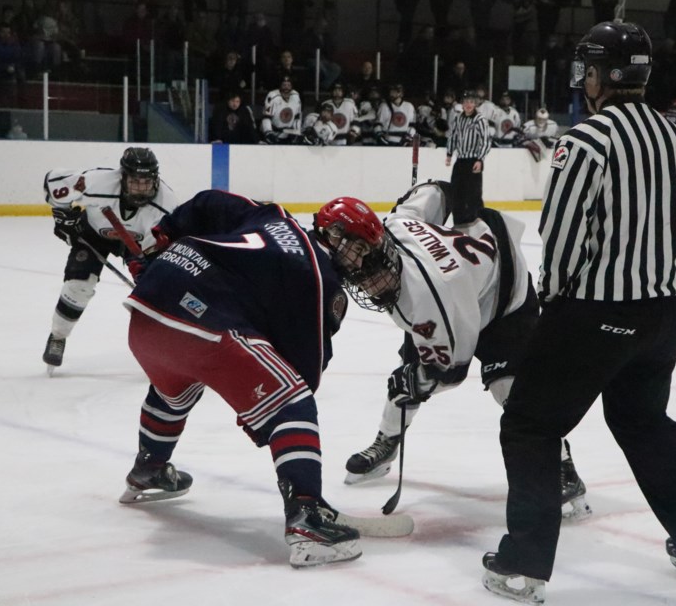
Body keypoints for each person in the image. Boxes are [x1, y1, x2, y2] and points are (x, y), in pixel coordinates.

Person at [481, 21, 676, 604]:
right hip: (669, 309)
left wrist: (553, 309)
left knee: (530, 423)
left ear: (595, 74)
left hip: (598, 310)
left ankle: (523, 565)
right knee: (644, 420)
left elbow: (563, 238)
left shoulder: (586, 139)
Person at [118, 189, 361, 568]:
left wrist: (164, 236)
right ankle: (306, 517)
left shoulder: (275, 218)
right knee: (292, 401)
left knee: (174, 388)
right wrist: (269, 422)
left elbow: (209, 202)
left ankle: (149, 467)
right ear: (334, 237)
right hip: (202, 317)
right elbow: (306, 366)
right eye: (357, 247)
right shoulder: (324, 278)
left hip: (148, 305)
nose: (359, 258)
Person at [315, 186, 590, 520]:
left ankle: (563, 469)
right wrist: (440, 193)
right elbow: (437, 192)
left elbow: (450, 371)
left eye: (356, 254)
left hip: (503, 295)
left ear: (372, 244)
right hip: (461, 287)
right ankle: (387, 441)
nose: (354, 269)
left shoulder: (427, 298)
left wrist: (416, 380)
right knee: (407, 375)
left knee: (510, 390)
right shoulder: (398, 223)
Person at [42, 148, 177, 372]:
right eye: (135, 181)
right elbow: (53, 181)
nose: (141, 189)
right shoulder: (97, 183)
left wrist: (149, 266)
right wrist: (63, 217)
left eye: (146, 182)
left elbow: (163, 245)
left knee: (154, 295)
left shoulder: (166, 205)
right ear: (122, 177)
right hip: (93, 235)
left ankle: (159, 349)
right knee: (78, 287)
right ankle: (58, 336)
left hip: (138, 245)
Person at [446, 89, 492, 226]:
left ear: (475, 104)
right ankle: (459, 223)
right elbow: (453, 136)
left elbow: (485, 141)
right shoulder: (459, 118)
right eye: (466, 102)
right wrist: (449, 154)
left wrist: (480, 159)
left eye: (471, 102)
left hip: (473, 162)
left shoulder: (480, 119)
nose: (468, 105)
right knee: (456, 194)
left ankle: (477, 223)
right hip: (460, 161)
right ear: (462, 103)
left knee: (474, 196)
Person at [261, 75, 302, 144]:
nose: (286, 88)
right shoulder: (272, 96)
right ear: (280, 86)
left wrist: (296, 131)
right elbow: (266, 118)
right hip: (274, 133)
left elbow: (297, 117)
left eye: (289, 85)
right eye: (284, 85)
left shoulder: (296, 96)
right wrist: (268, 132)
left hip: (288, 134)